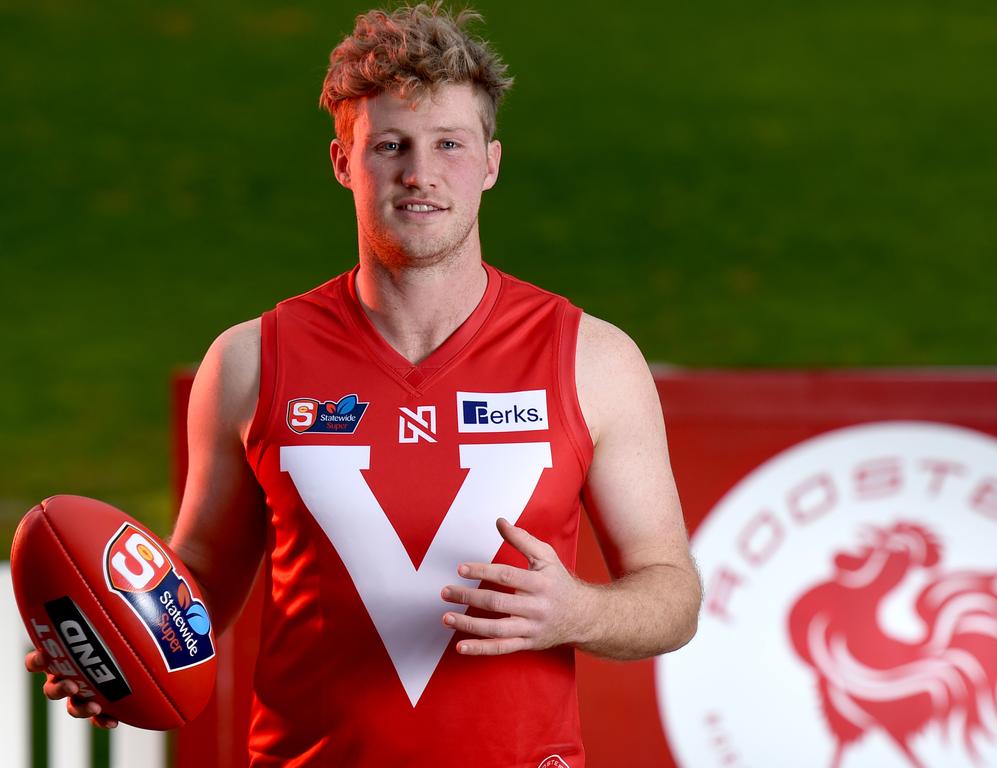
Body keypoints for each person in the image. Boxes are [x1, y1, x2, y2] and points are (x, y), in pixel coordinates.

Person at [27, 3, 702, 765]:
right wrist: (113, 648)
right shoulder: (251, 363)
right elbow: (203, 585)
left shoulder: (592, 359)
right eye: (390, 145)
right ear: (344, 163)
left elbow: (672, 595)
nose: (421, 173)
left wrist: (577, 611)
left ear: (490, 162)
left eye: (449, 143)